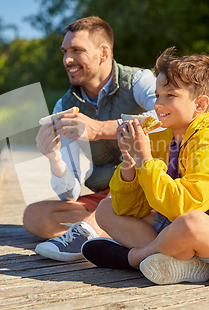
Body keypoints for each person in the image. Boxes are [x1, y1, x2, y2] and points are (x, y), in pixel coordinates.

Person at [81, 47, 209, 287]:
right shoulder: (162, 137)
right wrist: (130, 164)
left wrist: (145, 159)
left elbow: (184, 207)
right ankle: (183, 262)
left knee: (190, 222)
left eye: (169, 95)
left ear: (200, 105)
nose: (158, 104)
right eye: (157, 94)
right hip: (175, 227)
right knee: (106, 209)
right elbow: (130, 208)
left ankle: (133, 258)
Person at [22, 16, 157, 261]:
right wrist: (54, 159)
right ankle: (115, 230)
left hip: (149, 187)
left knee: (113, 201)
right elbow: (69, 194)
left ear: (104, 52)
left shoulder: (139, 81)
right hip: (105, 194)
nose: (67, 60)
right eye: (65, 52)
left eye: (77, 51)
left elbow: (164, 115)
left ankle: (93, 230)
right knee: (34, 216)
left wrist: (100, 129)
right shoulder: (64, 105)